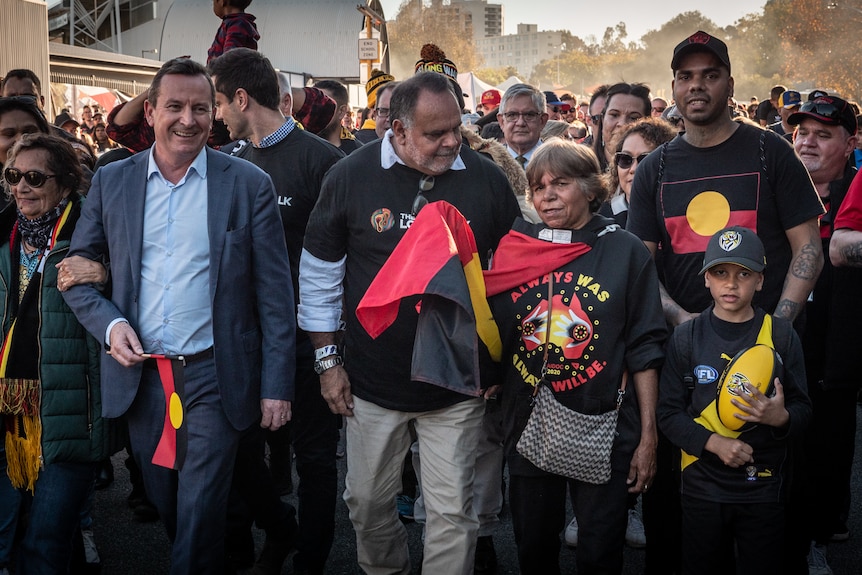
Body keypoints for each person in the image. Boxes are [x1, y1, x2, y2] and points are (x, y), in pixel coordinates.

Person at [62, 57, 296, 574]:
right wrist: (111, 325)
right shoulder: (112, 181)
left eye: (199, 107)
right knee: (167, 499)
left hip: (216, 372)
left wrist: (276, 385)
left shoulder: (247, 184)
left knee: (199, 507)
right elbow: (76, 275)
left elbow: (275, 295)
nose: (187, 119)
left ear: (214, 114)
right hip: (142, 375)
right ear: (150, 111)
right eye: (174, 106)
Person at [297, 71, 520, 574]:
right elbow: (318, 279)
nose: (450, 143)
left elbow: (510, 276)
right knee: (367, 505)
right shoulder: (350, 176)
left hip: (457, 390)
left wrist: (497, 362)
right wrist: (328, 362)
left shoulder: (485, 179)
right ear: (396, 130)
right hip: (371, 385)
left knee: (452, 513)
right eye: (434, 134)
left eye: (456, 130)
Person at [627, 30, 824, 575]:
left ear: (729, 83)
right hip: (685, 358)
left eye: (709, 75)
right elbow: (643, 266)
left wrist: (774, 331)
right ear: (673, 86)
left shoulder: (770, 151)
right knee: (684, 518)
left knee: (773, 514)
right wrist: (687, 323)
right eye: (686, 77)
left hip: (768, 359)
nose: (697, 86)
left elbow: (809, 248)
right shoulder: (656, 168)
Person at [485, 139, 665, 574]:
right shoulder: (514, 247)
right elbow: (491, 333)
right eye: (538, 185)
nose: (546, 194)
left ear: (590, 187)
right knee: (534, 552)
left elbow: (644, 348)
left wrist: (647, 436)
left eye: (560, 183)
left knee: (600, 553)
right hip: (528, 425)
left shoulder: (624, 250)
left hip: (604, 424)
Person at [209, 47, 344, 575]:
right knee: (240, 447)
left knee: (313, 459)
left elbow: (347, 260)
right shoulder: (235, 163)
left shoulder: (323, 162)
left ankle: (309, 560)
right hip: (249, 339)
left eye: (219, 102)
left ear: (242, 98)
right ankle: (280, 528)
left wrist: (335, 347)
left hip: (310, 338)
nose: (216, 115)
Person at [657, 226, 811, 575]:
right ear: (706, 279)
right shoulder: (686, 337)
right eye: (720, 272)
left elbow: (804, 410)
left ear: (760, 281)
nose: (731, 283)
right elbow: (667, 413)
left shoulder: (781, 335)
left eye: (744, 274)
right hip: (701, 485)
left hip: (763, 486)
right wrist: (712, 442)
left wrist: (780, 418)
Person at [0, 133, 113, 573]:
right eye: (13, 176)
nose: (21, 187)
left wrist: (105, 271)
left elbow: (143, 288)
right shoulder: (3, 233)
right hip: (10, 412)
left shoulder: (95, 234)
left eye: (33, 177)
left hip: (71, 415)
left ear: (64, 185)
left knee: (46, 543)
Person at [790, 94, 860, 575]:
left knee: (829, 438)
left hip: (840, 344)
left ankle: (816, 535)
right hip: (783, 334)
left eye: (823, 134)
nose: (808, 142)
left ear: (851, 142)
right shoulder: (775, 187)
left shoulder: (858, 190)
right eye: (802, 132)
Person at [601, 117, 676, 228]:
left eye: (645, 160)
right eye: (625, 159)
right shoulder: (599, 217)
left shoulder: (678, 214)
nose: (633, 169)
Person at [591, 82, 651, 171]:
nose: (622, 124)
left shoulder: (656, 167)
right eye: (614, 115)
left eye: (633, 118)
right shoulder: (582, 168)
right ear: (603, 119)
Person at [497, 83, 548, 169]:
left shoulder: (562, 161)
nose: (520, 123)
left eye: (529, 115)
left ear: (542, 121)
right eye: (512, 115)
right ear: (501, 121)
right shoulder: (487, 163)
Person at [208, 0, 259, 64]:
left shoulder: (237, 25)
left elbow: (230, 57)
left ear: (222, 2)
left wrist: (214, 70)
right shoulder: (237, 23)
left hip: (226, 72)